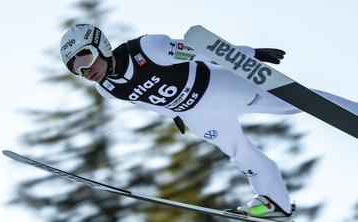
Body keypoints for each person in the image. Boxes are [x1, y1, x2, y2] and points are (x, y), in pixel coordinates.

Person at [59, 24, 358, 221]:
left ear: (101, 45)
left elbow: (201, 51)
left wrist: (251, 54)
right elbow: (144, 100)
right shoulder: (107, 89)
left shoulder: (148, 48)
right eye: (75, 67)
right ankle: (275, 204)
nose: (84, 70)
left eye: (84, 59)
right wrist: (173, 114)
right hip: (196, 114)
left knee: (299, 101)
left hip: (218, 87)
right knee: (240, 153)